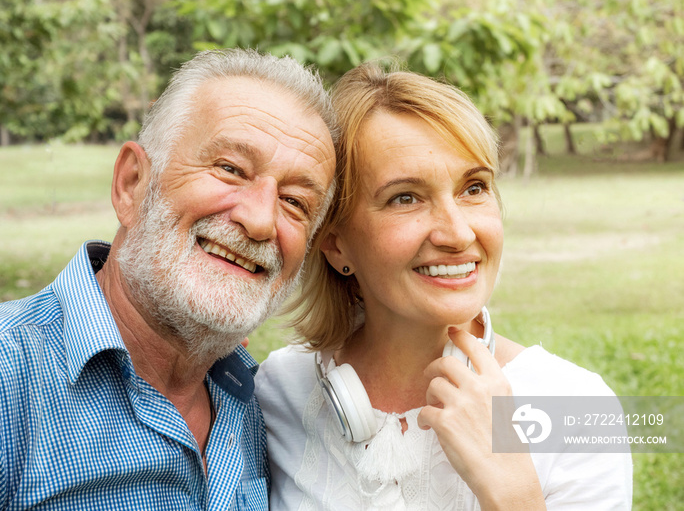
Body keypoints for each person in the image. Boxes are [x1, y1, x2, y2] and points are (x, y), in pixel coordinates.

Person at [254, 63, 633, 510]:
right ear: (337, 246)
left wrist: (512, 491)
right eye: (405, 197)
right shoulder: (275, 389)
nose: (457, 234)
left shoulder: (578, 407)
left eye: (474, 188)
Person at [0, 48, 337, 510]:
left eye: (295, 201)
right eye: (230, 169)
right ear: (132, 183)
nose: (261, 221)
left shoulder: (258, 405)